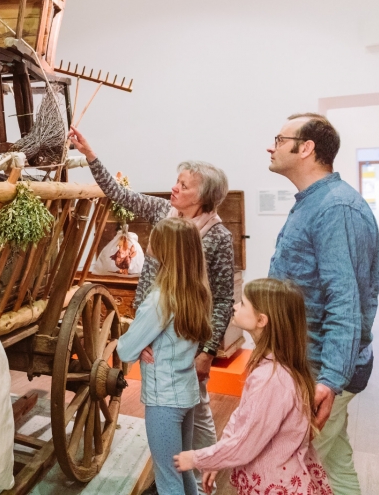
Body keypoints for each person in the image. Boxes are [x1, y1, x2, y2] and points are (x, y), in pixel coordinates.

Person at [69, 126, 235, 492]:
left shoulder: (218, 237)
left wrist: (208, 350)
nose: (174, 188)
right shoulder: (164, 210)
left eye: (184, 185)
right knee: (188, 410)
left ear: (203, 196)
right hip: (157, 331)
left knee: (195, 413)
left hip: (184, 337)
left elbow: (222, 298)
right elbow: (119, 194)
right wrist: (91, 156)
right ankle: (191, 477)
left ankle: (205, 473)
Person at [266, 113, 379, 495]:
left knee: (288, 473)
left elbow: (345, 301)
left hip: (317, 372)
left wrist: (329, 380)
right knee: (334, 464)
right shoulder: (315, 202)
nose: (272, 146)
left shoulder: (335, 208)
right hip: (308, 363)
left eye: (280, 139)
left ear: (306, 148)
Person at [173, 278, 334, 495]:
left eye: (243, 303)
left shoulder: (272, 379)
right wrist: (217, 459)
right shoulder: (274, 368)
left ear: (261, 320)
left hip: (276, 486)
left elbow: (247, 440)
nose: (235, 306)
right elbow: (243, 417)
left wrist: (197, 458)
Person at [117, 217, 212, 495]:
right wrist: (147, 341)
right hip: (186, 393)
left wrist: (140, 342)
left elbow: (125, 349)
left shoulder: (161, 298)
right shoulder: (197, 292)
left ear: (164, 250)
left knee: (168, 478)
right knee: (183, 471)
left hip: (164, 401)